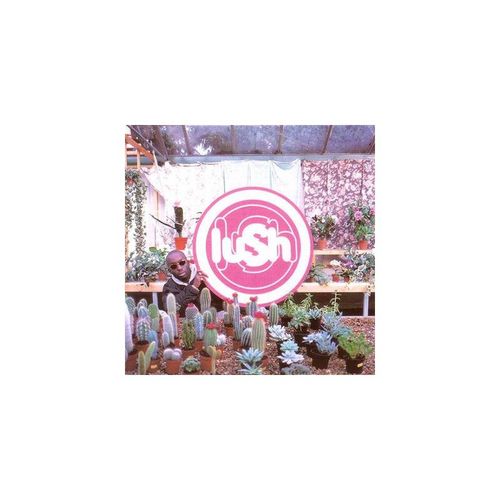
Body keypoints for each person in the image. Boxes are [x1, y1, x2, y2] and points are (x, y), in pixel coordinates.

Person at [161, 250, 211, 316]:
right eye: (173, 266)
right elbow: (171, 309)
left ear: (188, 262)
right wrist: (193, 288)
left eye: (182, 263)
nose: (179, 268)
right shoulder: (169, 286)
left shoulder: (204, 275)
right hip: (185, 321)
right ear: (169, 270)